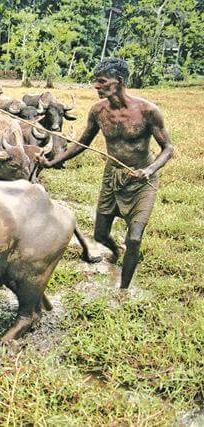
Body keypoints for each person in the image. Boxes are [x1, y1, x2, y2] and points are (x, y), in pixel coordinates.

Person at [39, 58, 174, 289]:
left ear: (118, 81)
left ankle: (122, 291)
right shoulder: (98, 111)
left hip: (142, 181)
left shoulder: (148, 111)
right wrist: (52, 162)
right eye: (96, 81)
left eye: (101, 81)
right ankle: (116, 251)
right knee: (100, 235)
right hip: (112, 178)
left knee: (134, 238)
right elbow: (81, 143)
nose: (96, 86)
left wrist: (149, 170)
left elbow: (168, 148)